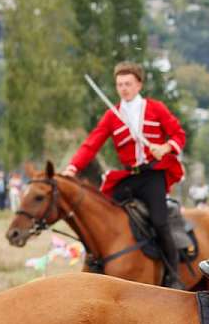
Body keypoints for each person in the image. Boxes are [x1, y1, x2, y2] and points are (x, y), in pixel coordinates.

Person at [61, 61, 187, 289]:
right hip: (128, 178)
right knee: (102, 216)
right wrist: (72, 167)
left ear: (139, 85)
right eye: (119, 84)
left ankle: (173, 275)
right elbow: (91, 144)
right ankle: (98, 261)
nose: (123, 88)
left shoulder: (156, 108)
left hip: (152, 175)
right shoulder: (112, 115)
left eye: (128, 84)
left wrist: (166, 147)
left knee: (159, 222)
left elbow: (179, 134)